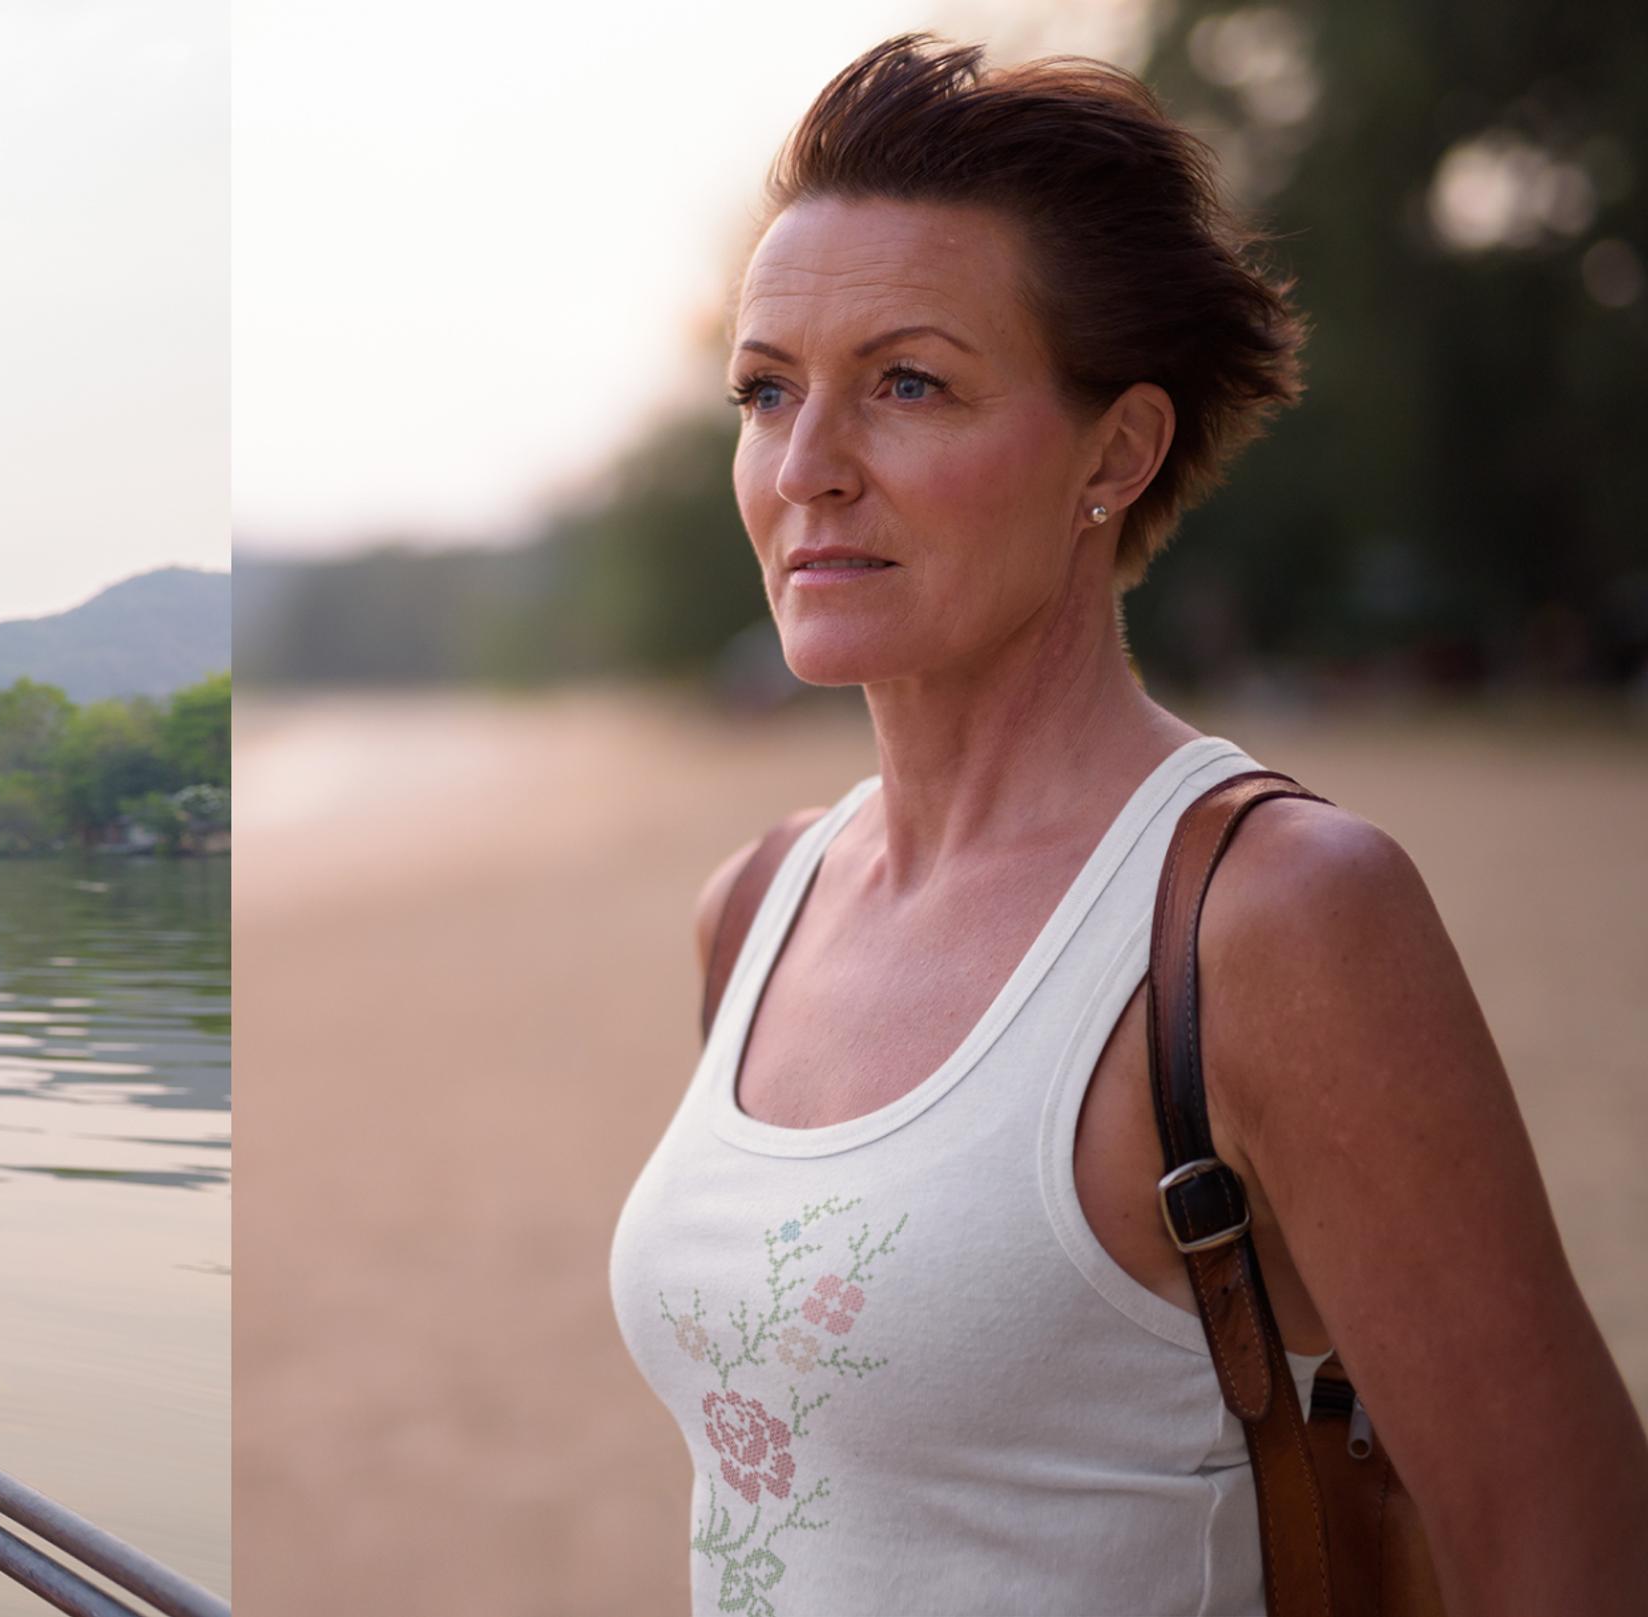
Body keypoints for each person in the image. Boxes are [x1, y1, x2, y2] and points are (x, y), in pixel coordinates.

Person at [605, 35, 1648, 1615]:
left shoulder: (1272, 916)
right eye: (767, 391)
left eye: (908, 384)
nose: (807, 467)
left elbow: (1564, 1547)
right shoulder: (756, 904)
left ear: (1117, 450)